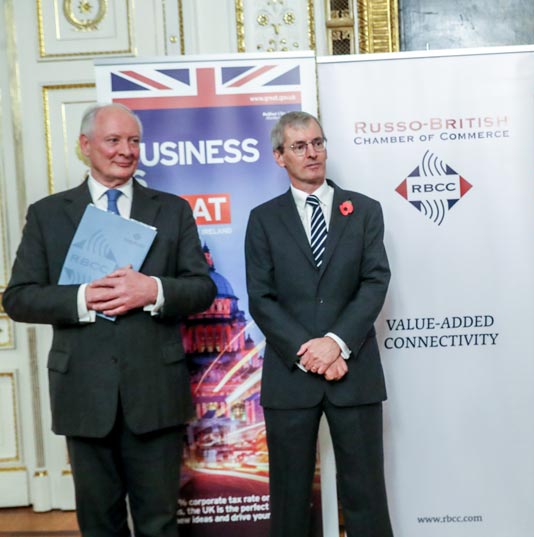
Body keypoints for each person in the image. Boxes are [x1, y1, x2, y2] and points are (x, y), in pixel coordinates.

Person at [2, 103, 216, 536]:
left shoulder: (172, 210)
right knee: (99, 524)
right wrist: (82, 297)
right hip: (83, 392)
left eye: (134, 141)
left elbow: (202, 288)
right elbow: (18, 298)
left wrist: (153, 290)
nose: (126, 150)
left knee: (159, 522)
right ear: (85, 145)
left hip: (155, 391)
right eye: (113, 140)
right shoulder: (48, 214)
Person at [245, 111, 393, 537]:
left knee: (366, 495)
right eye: (299, 146)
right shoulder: (263, 218)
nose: (312, 153)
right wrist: (310, 353)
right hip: (290, 376)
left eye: (317, 143)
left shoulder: (364, 210)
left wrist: (336, 343)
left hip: (354, 371)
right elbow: (261, 298)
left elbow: (375, 281)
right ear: (279, 156)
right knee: (290, 499)